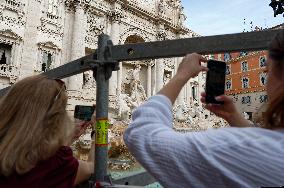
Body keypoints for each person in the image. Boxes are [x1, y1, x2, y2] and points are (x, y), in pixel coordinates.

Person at [124, 30, 284, 188]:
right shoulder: (270, 148)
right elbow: (262, 142)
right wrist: (234, 117)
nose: (265, 81)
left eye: (266, 71)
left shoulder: (235, 148)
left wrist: (181, 75)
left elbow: (140, 134)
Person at [0, 75, 95, 188]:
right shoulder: (55, 162)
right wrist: (98, 129)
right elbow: (93, 167)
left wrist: (69, 136)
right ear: (55, 118)